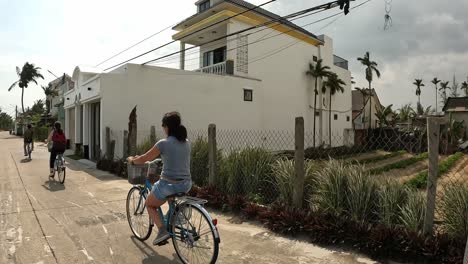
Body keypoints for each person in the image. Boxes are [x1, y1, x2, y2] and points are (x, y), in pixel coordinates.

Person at [127, 112, 192, 246]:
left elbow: (145, 158)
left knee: (150, 204)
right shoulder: (186, 143)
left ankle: (162, 231)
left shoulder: (163, 143)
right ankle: (175, 218)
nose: (163, 128)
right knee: (168, 197)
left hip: (169, 185)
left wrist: (132, 161)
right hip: (186, 184)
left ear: (167, 127)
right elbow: (175, 158)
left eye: (163, 126)